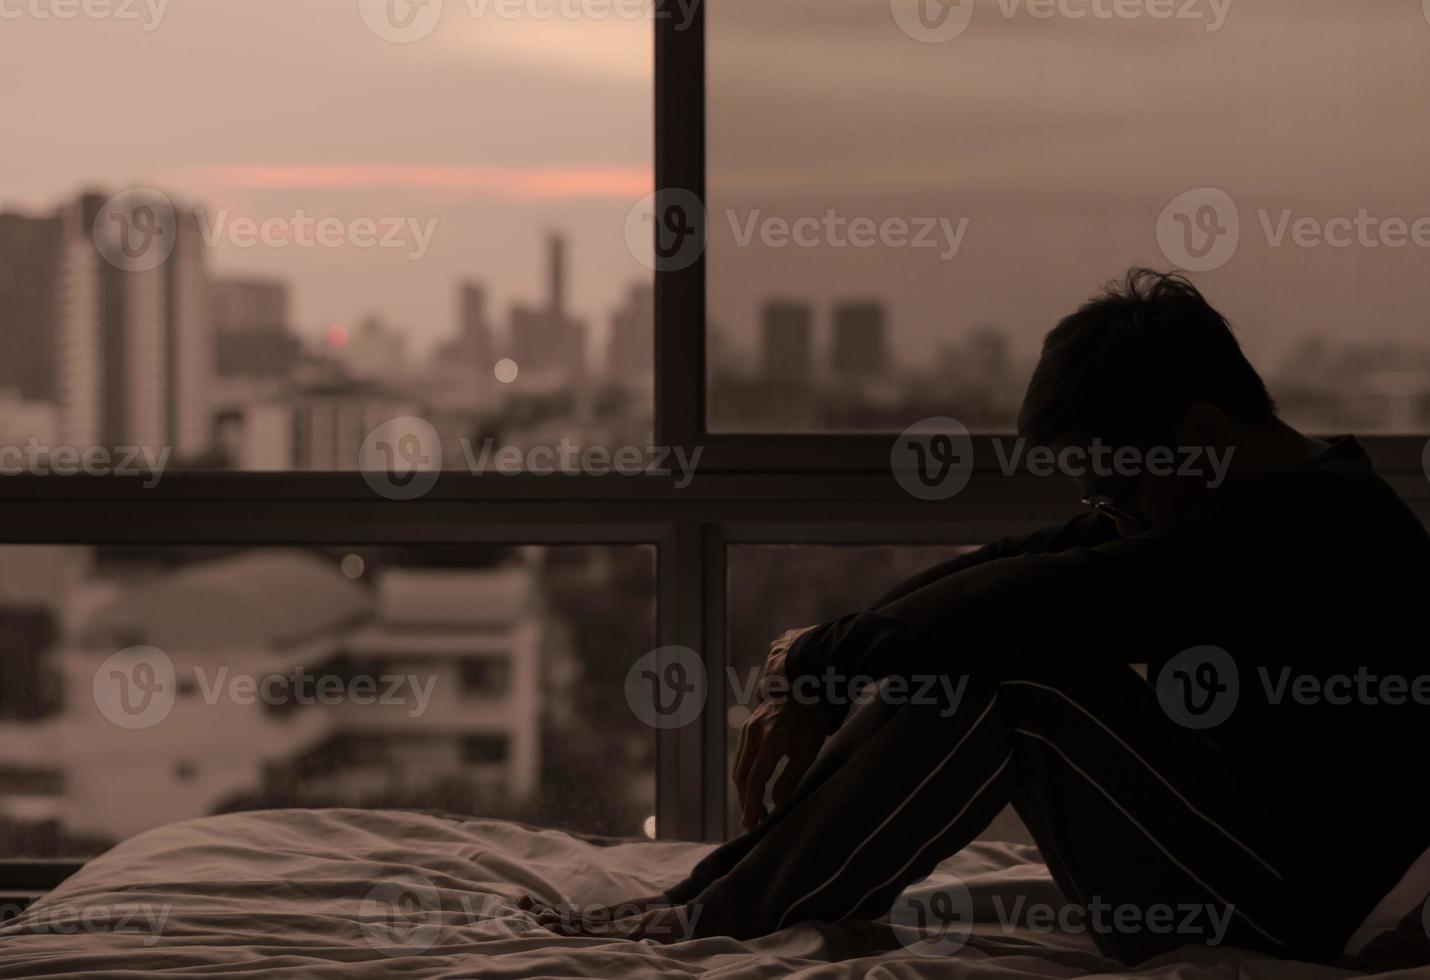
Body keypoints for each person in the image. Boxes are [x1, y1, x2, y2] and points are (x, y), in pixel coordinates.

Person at [549, 269, 1430, 965]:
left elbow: (1032, 600)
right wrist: (813, 673)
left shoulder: (1310, 529)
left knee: (1015, 685)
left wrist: (819, 660)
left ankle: (718, 915)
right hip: (1230, 855)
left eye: (1120, 488)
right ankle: (715, 896)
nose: (1109, 512)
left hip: (1282, 911)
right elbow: (1009, 566)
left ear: (1201, 435)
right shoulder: (1229, 504)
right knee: (981, 645)